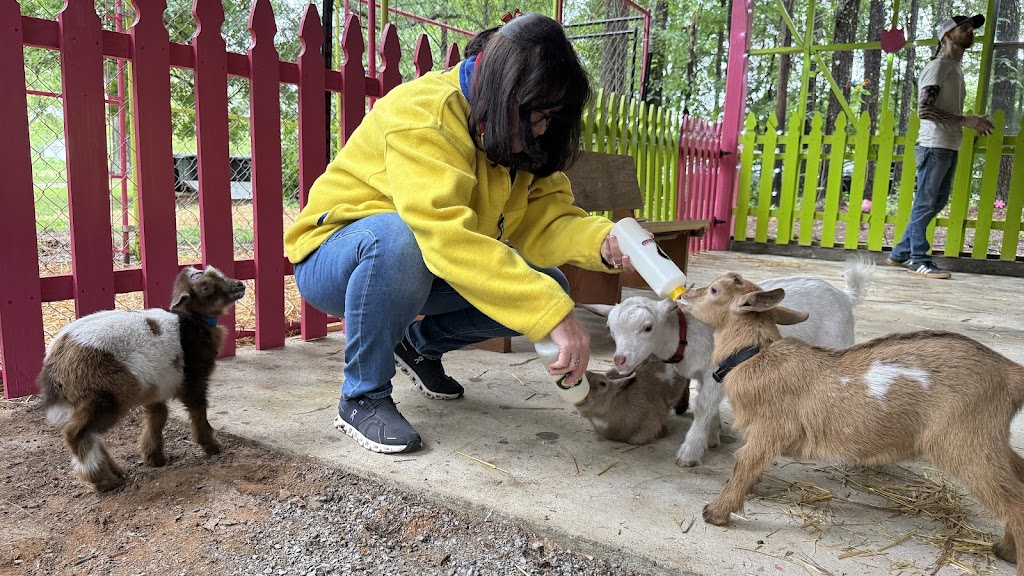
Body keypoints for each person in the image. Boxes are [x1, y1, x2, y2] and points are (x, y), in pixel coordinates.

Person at [284, 12, 635, 454]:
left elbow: (544, 221)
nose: (545, 128)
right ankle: (362, 396)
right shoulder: (425, 112)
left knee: (551, 285)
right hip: (337, 257)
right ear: (507, 93)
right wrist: (554, 316)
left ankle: (419, 346)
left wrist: (603, 241)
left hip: (421, 263)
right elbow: (445, 236)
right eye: (539, 115)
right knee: (401, 237)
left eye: (552, 116)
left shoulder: (513, 132)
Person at [886, 14, 994, 279]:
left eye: (972, 28)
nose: (970, 32)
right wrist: (966, 120)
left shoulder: (953, 68)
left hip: (947, 146)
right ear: (947, 35)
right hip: (934, 146)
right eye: (964, 28)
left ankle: (900, 252)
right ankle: (917, 259)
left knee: (936, 202)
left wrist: (964, 121)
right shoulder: (938, 67)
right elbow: (924, 110)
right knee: (925, 203)